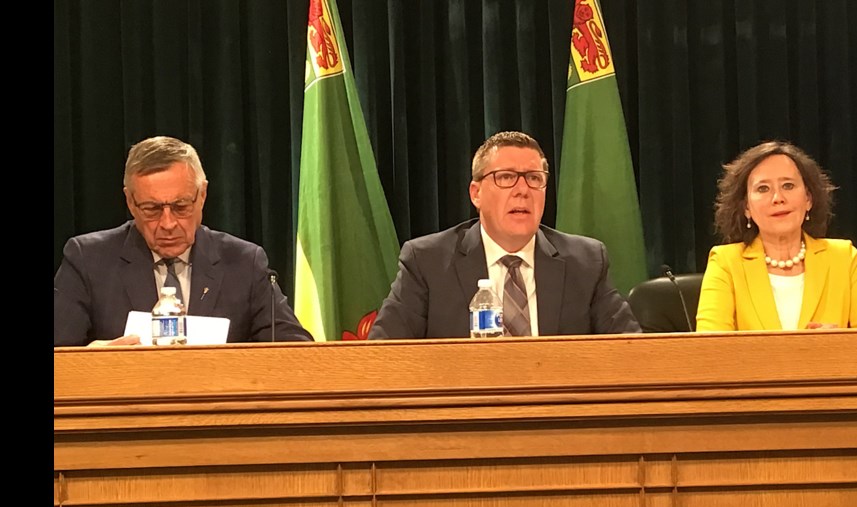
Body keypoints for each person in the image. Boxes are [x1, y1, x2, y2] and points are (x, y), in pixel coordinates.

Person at [368, 131, 640, 339]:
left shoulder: (586, 262)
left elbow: (632, 352)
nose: (523, 190)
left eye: (534, 178)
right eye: (506, 177)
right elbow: (384, 354)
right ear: (476, 193)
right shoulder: (427, 262)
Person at [54, 135, 314, 346]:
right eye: (151, 209)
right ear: (130, 202)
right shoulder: (88, 260)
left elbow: (295, 351)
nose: (168, 224)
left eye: (180, 206)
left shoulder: (245, 263)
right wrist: (91, 360)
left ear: (202, 196)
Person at [695, 140, 857, 332]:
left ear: (808, 199)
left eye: (788, 186)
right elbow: (709, 352)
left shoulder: (844, 258)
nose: (778, 198)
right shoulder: (725, 263)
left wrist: (838, 345)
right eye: (763, 188)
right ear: (746, 207)